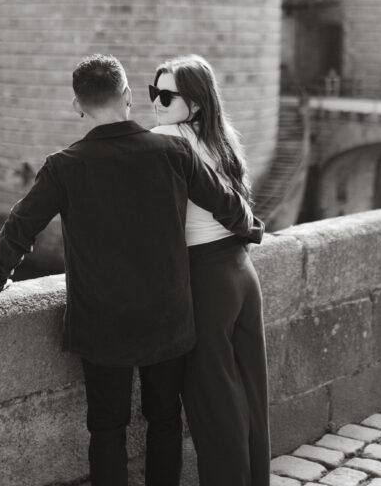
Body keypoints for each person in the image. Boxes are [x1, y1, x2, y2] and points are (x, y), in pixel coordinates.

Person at [0, 53, 262, 486]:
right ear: (127, 96)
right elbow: (227, 205)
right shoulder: (173, 151)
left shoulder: (63, 166)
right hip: (167, 317)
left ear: (78, 105)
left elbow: (20, 229)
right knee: (165, 420)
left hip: (100, 322)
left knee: (107, 428)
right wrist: (251, 230)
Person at [149, 54, 270, 486]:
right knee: (251, 395)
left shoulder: (166, 138)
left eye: (167, 96)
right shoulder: (221, 140)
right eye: (153, 93)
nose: (156, 103)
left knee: (213, 404)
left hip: (205, 279)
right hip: (240, 271)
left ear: (196, 103)